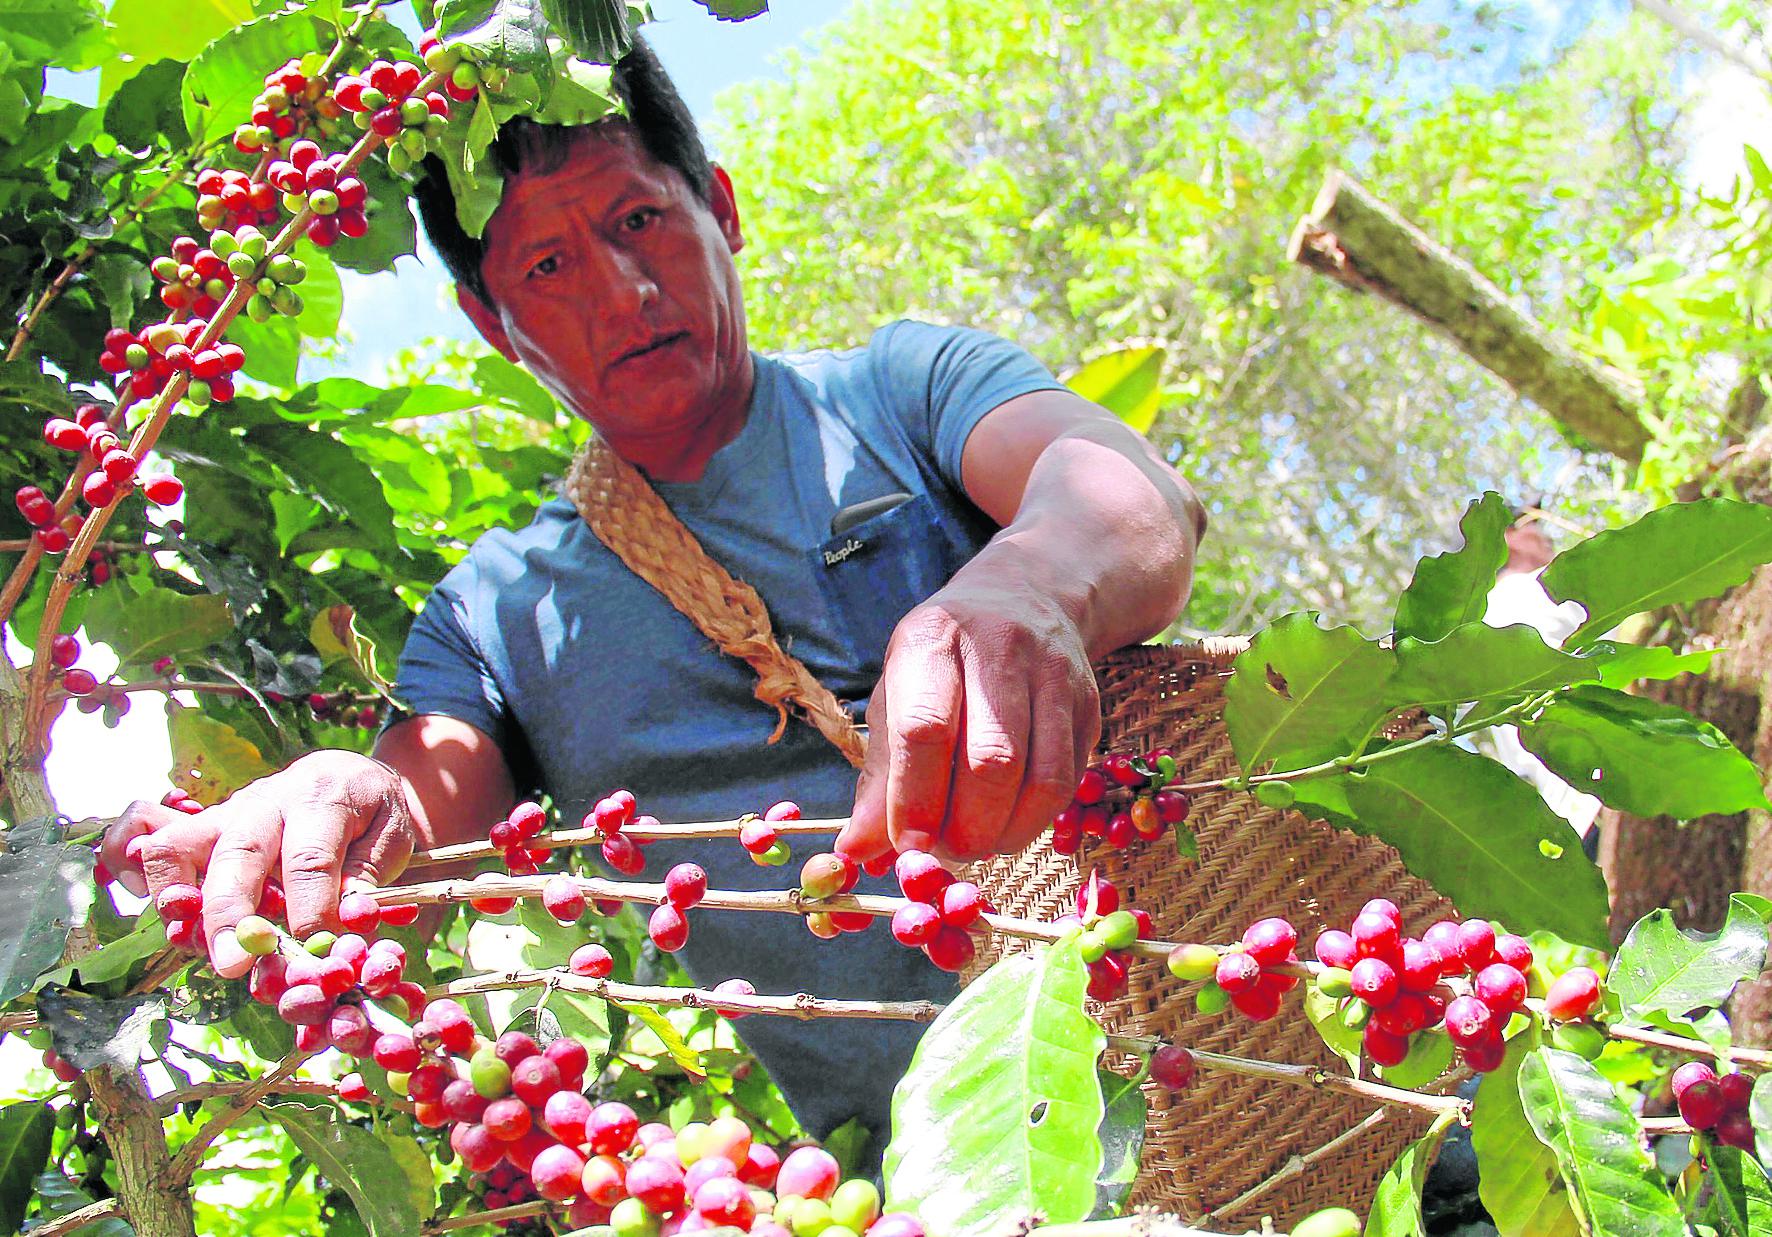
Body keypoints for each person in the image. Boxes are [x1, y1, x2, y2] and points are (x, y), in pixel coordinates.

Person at [102, 40, 1205, 1160]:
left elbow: (1126, 496)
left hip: (1213, 1050)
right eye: (544, 268)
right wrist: (343, 806)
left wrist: (1028, 588)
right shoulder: (497, 615)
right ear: (493, 325)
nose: (622, 292)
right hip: (932, 1186)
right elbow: (420, 808)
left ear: (717, 209)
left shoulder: (897, 392)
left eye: (637, 223)